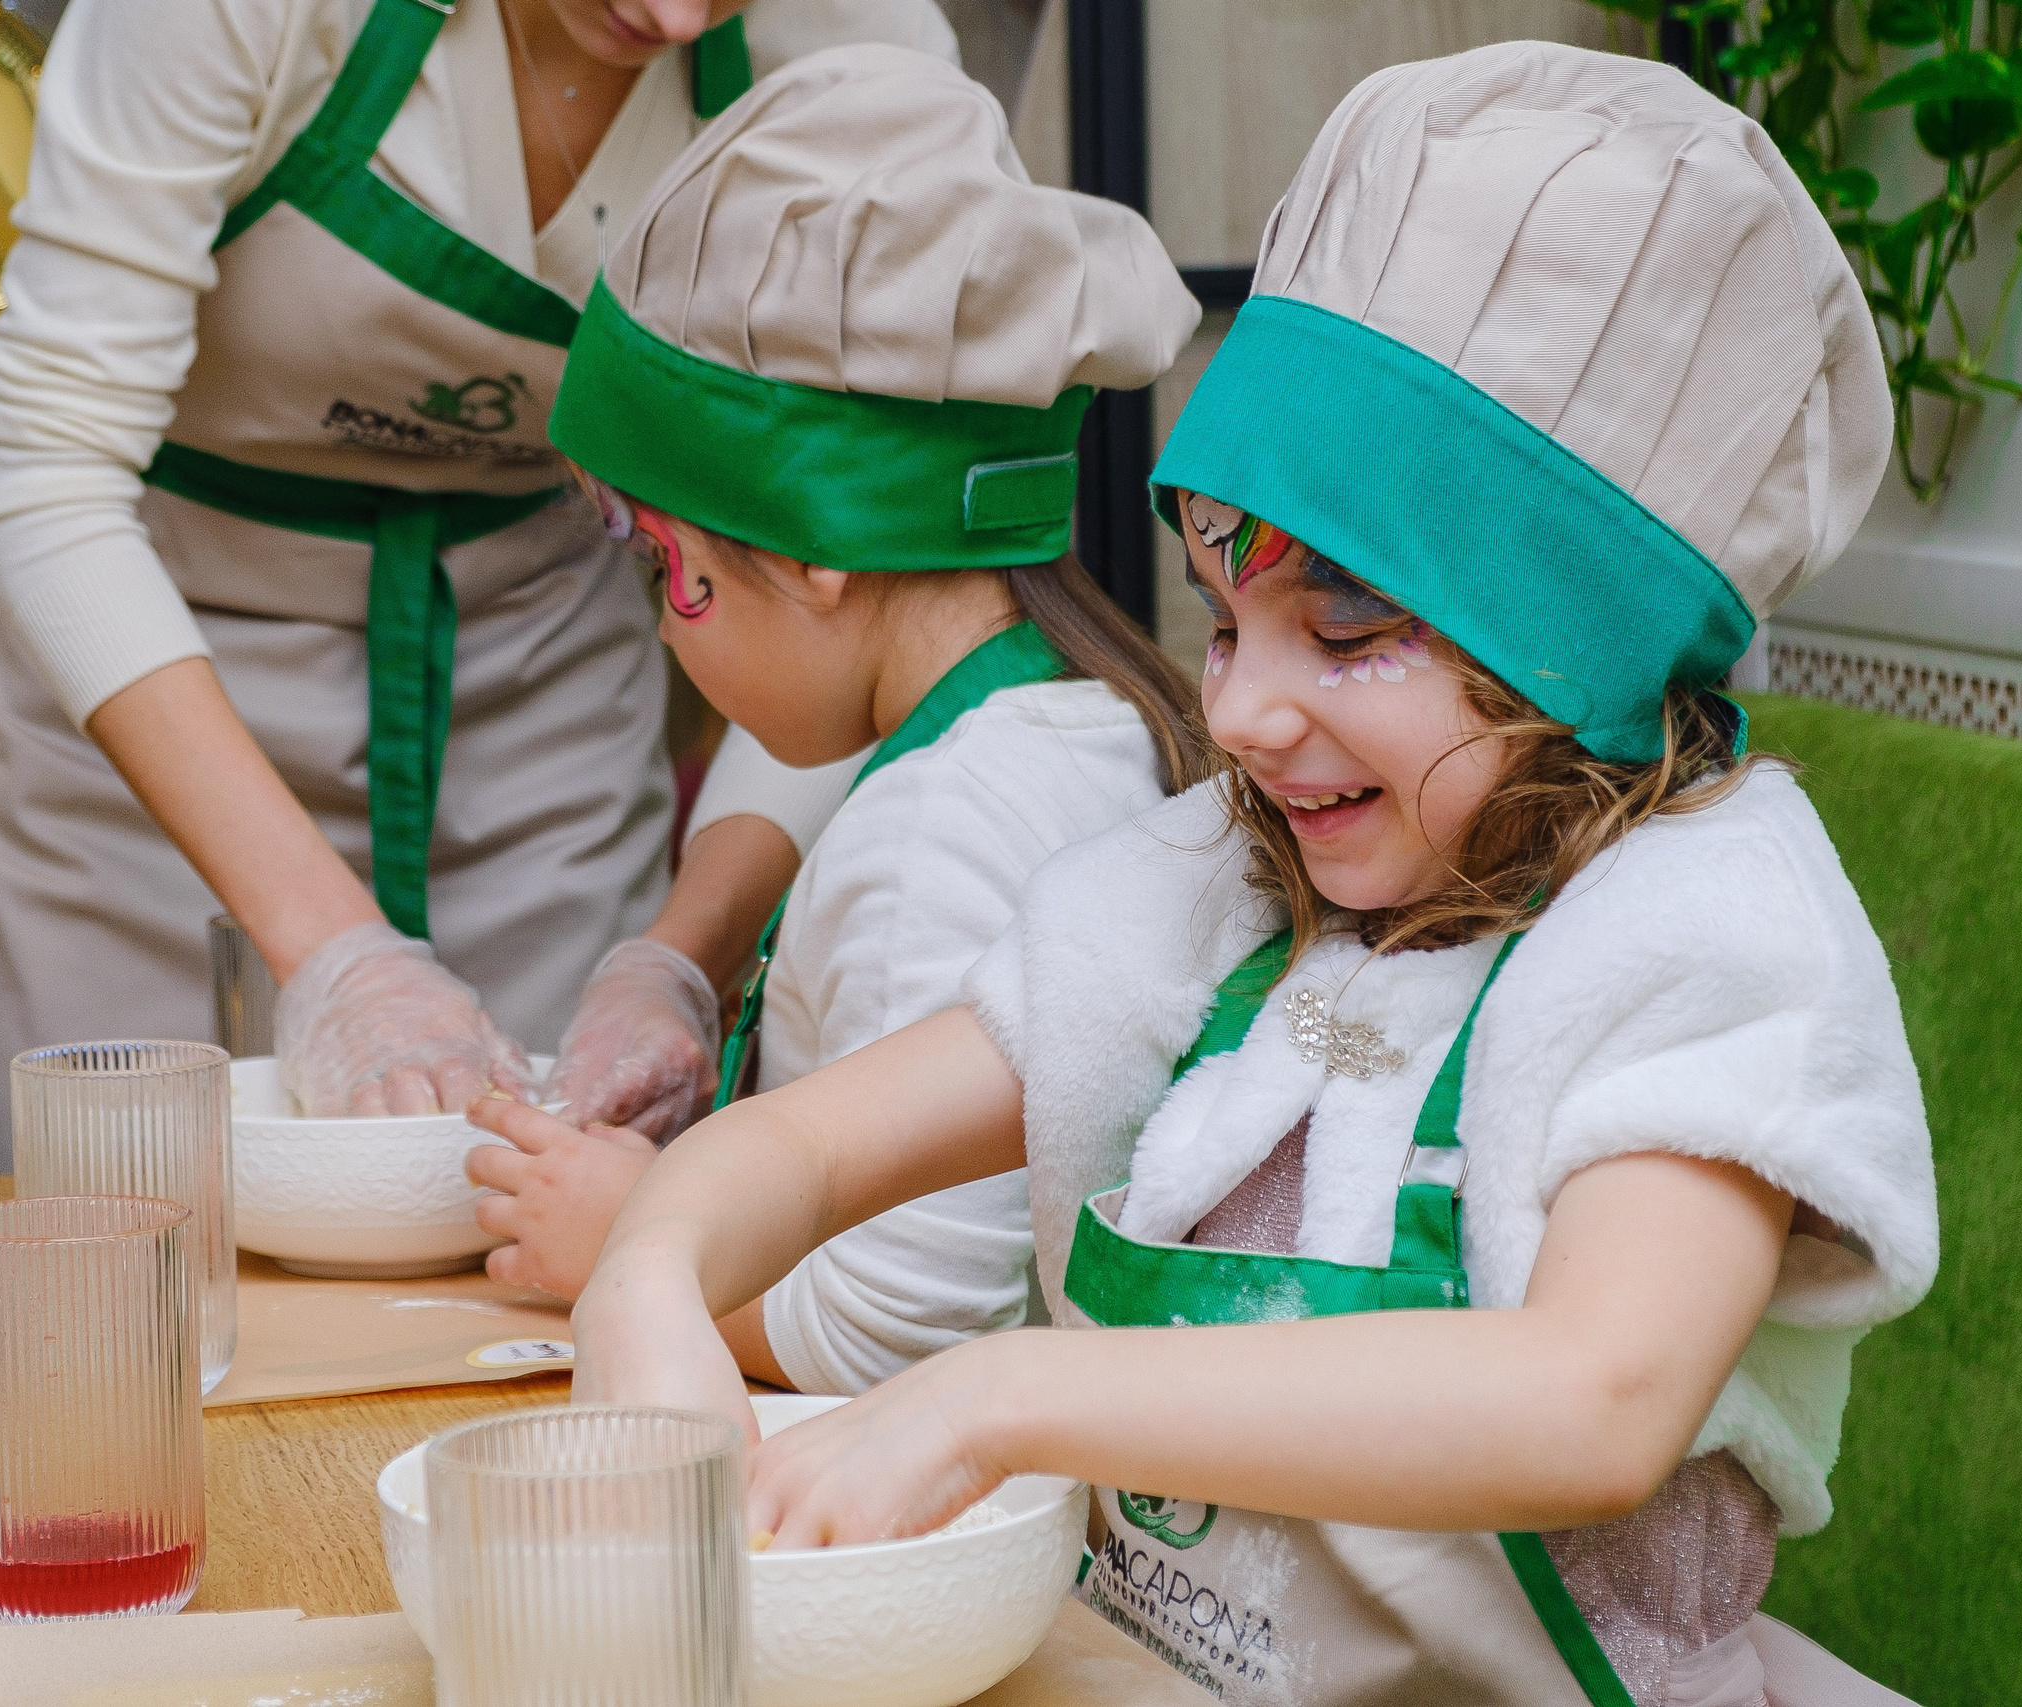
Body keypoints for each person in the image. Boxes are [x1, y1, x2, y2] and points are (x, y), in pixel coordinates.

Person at [563, 42, 1939, 1707]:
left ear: (1571, 651)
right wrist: (649, 1276)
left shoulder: (1705, 937)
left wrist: (992, 1397)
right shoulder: (1219, 885)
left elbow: (1590, 1402)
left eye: (1346, 635)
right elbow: (797, 1148)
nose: (1237, 706)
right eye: (1225, 619)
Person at [0, 0, 957, 1164]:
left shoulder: (856, 50)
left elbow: (874, 579)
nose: (674, 15)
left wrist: (679, 957)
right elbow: (47, 474)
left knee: (543, 1236)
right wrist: (337, 959)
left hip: (536, 678)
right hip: (141, 698)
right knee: (143, 1247)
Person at [464, 46, 1206, 1397]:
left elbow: (906, 1329)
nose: (667, 627)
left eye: (659, 567)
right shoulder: (1083, 716)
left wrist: (628, 1238)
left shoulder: (942, 832)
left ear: (810, 554)